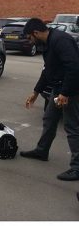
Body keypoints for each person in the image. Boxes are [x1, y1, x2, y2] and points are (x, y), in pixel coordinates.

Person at [20, 18, 79, 181]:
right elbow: (47, 71)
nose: (30, 41)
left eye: (30, 38)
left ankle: (77, 167)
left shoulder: (61, 41)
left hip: (72, 90)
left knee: (72, 127)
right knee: (49, 119)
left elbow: (74, 67)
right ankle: (42, 151)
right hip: (58, 88)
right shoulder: (47, 44)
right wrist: (36, 92)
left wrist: (65, 93)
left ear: (36, 33)